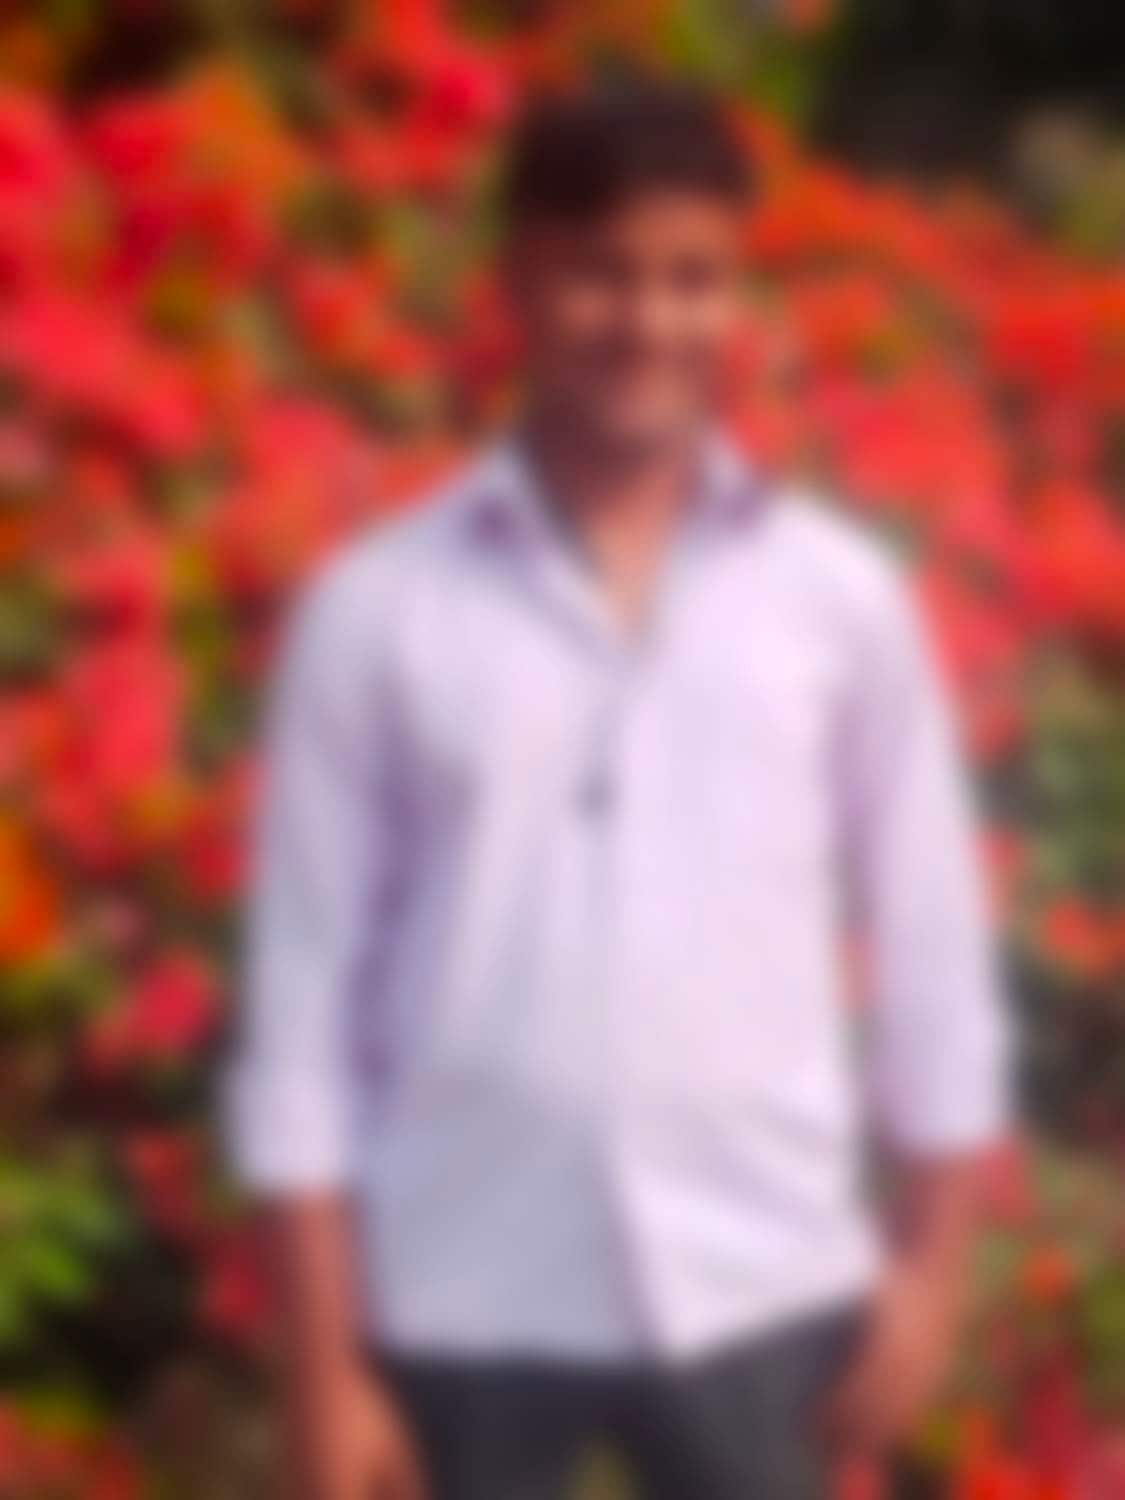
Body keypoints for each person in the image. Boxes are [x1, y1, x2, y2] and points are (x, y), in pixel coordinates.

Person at [225, 76, 1012, 1500]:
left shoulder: (836, 600)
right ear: (517, 282)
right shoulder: (377, 612)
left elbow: (933, 949)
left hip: (762, 1284)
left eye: (693, 278)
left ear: (736, 294)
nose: (650, 321)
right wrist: (320, 1371)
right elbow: (300, 1009)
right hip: (458, 1292)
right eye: (600, 272)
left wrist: (932, 1274)